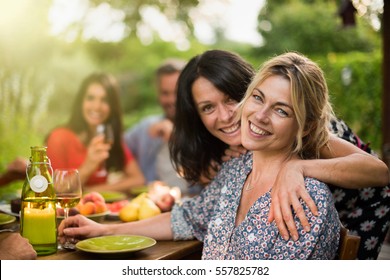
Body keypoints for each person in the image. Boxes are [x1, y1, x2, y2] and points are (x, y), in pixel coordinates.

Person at [59, 52, 342, 260]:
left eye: (282, 110)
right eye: (257, 98)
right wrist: (102, 230)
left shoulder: (307, 200)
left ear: (305, 127)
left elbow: (378, 169)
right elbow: (186, 218)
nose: (260, 115)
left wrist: (298, 168)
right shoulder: (235, 171)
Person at [169, 50, 390, 259]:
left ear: (243, 91)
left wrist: (297, 167)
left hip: (359, 212)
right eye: (208, 107)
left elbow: (379, 171)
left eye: (230, 100)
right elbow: (197, 214)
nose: (226, 116)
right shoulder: (239, 159)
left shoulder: (313, 129)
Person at [46, 73, 145, 194]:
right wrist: (88, 166)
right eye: (90, 98)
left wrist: (93, 190)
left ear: (112, 107)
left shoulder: (108, 138)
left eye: (104, 100)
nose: (97, 106)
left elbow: (138, 179)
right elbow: (56, 191)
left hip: (99, 209)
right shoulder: (59, 138)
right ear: (81, 102)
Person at [124, 59, 199, 196]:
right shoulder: (146, 127)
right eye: (165, 93)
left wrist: (177, 138)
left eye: (177, 93)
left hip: (193, 204)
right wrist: (133, 173)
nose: (172, 100)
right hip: (151, 204)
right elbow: (118, 147)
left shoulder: (205, 127)